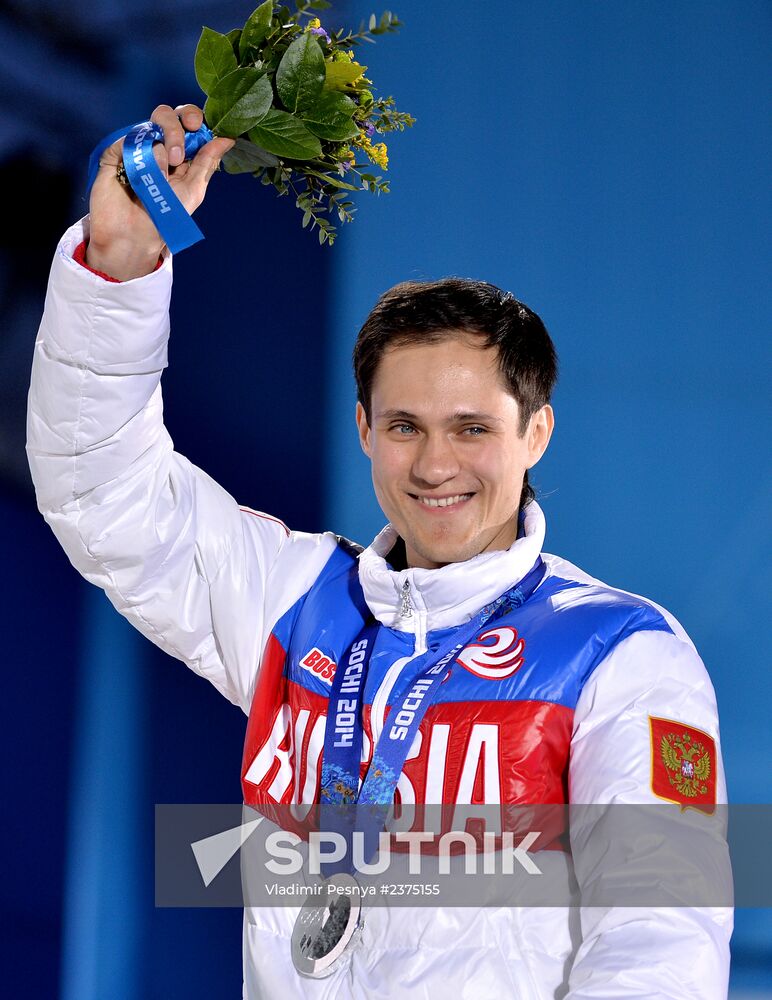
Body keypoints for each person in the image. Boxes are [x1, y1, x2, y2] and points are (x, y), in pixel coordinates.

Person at [27, 104, 732, 998]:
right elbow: (101, 487)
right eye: (405, 426)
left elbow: (660, 942)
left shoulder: (620, 654)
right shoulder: (296, 600)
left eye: (472, 427)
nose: (436, 465)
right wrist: (118, 269)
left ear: (537, 432)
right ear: (363, 428)